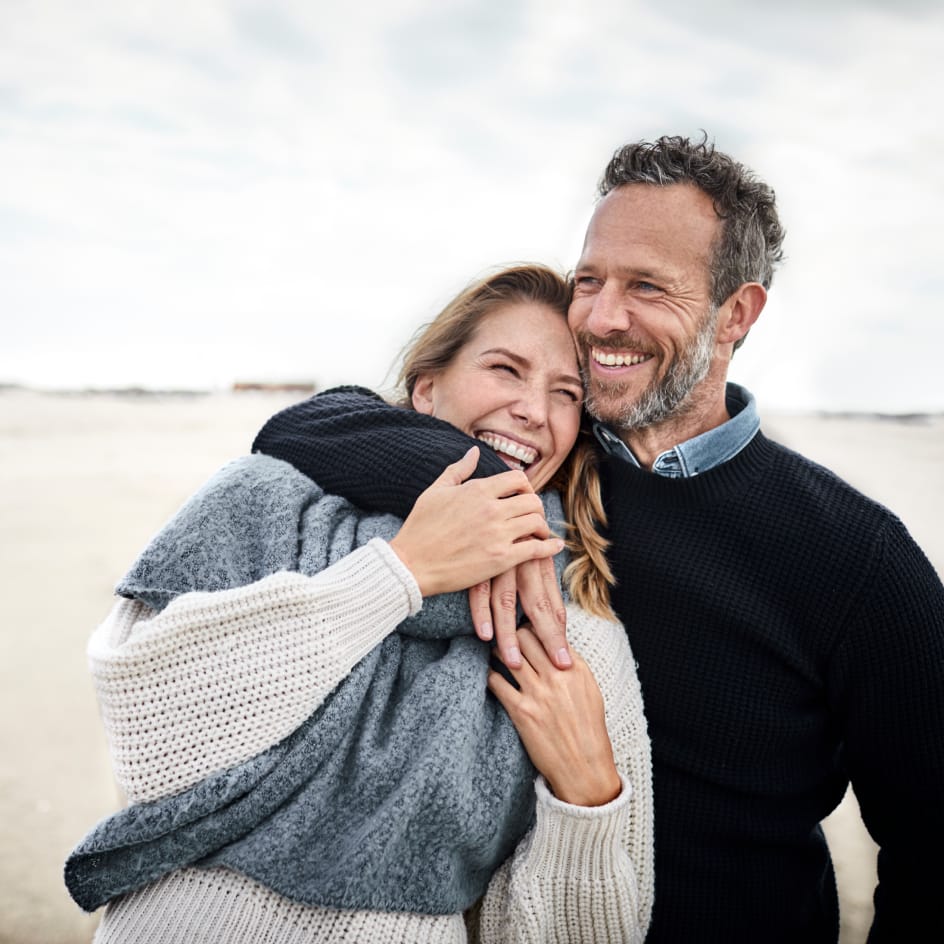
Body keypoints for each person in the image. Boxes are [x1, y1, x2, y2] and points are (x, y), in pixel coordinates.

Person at [251, 136, 944, 943]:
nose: (601, 317)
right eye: (590, 281)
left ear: (737, 314)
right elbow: (306, 424)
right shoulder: (549, 463)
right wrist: (480, 477)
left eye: (647, 286)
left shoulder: (854, 555)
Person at [65, 264, 654, 943]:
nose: (533, 409)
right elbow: (147, 740)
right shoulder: (262, 498)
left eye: (566, 392)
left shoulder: (565, 619)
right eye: (504, 369)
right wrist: (401, 573)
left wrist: (587, 801)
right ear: (427, 389)